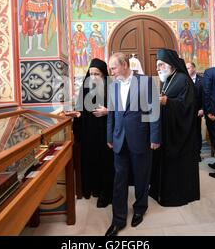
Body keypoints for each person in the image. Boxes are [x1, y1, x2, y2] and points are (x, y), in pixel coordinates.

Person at [105, 52, 161, 236]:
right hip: (119, 139)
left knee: (141, 177)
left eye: (113, 68)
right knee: (119, 180)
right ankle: (118, 219)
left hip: (141, 138)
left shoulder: (145, 82)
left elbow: (154, 110)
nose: (111, 72)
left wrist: (155, 137)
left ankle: (139, 209)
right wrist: (110, 137)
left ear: (124, 65)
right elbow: (111, 114)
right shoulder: (112, 86)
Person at [149, 49, 200, 207]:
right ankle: (160, 190)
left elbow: (188, 107)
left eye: (161, 65)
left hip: (180, 135)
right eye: (157, 66)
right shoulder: (169, 79)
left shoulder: (183, 79)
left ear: (171, 65)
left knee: (176, 167)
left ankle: (177, 195)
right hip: (167, 130)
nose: (158, 69)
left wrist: (167, 102)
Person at [67, 59, 114, 208]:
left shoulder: (111, 86)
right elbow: (82, 110)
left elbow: (120, 108)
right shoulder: (85, 87)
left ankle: (106, 194)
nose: (93, 77)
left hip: (106, 132)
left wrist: (108, 111)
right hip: (90, 133)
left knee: (106, 163)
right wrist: (78, 115)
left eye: (97, 74)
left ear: (103, 74)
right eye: (91, 73)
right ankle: (93, 189)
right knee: (91, 161)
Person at [186, 62, 204, 162]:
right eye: (186, 68)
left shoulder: (201, 80)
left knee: (197, 133)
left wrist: (203, 109)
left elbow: (205, 96)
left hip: (197, 112)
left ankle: (197, 154)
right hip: (186, 112)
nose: (187, 70)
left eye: (188, 68)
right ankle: (189, 153)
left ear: (194, 68)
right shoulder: (184, 80)